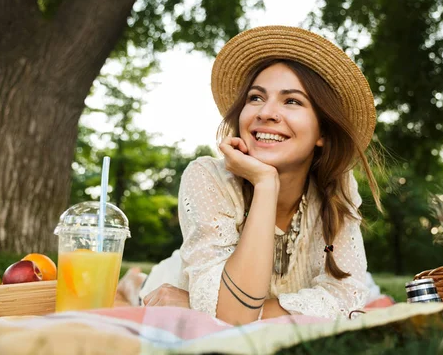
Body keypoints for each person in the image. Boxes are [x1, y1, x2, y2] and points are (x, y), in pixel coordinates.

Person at [117, 26, 382, 325]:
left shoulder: (337, 187)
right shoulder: (207, 177)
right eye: (255, 97)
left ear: (322, 131)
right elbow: (232, 320)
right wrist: (265, 184)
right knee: (125, 304)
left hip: (190, 302)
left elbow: (346, 298)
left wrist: (196, 306)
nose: (266, 112)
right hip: (169, 292)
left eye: (292, 101)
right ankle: (131, 288)